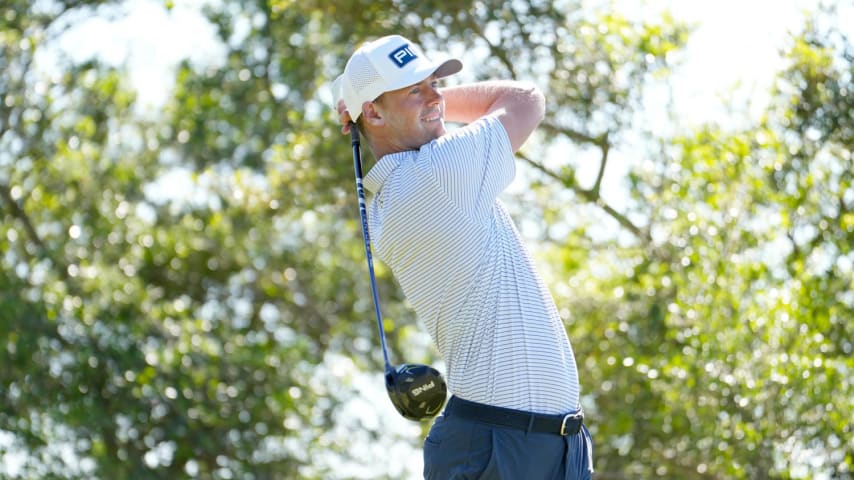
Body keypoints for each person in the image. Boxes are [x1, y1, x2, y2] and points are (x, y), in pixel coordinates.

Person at [333, 35, 594, 479]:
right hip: (501, 445)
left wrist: (418, 103)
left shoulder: (415, 181)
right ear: (373, 113)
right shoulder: (433, 175)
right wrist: (441, 103)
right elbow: (525, 100)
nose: (434, 97)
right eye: (416, 89)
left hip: (547, 445)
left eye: (435, 82)